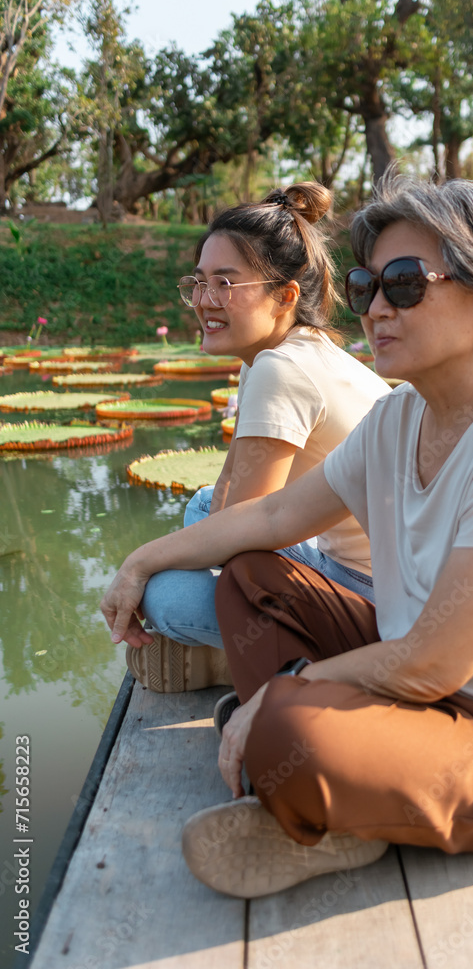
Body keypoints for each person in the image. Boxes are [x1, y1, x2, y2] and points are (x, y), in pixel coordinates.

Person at [101, 176, 473, 900]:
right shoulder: (398, 417)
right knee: (254, 575)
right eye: (366, 285)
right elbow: (268, 519)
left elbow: (431, 663)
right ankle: (325, 777)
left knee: (289, 729)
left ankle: (315, 777)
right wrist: (141, 561)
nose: (377, 308)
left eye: (406, 285)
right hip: (427, 695)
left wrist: (285, 692)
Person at [125, 182, 389, 692]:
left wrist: (140, 565)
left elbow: (243, 525)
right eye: (199, 283)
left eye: (225, 284)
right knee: (201, 507)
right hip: (362, 564)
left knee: (164, 597)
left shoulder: (280, 369)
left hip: (375, 597)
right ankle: (249, 642)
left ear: (286, 295)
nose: (204, 301)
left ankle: (269, 660)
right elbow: (227, 501)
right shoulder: (292, 352)